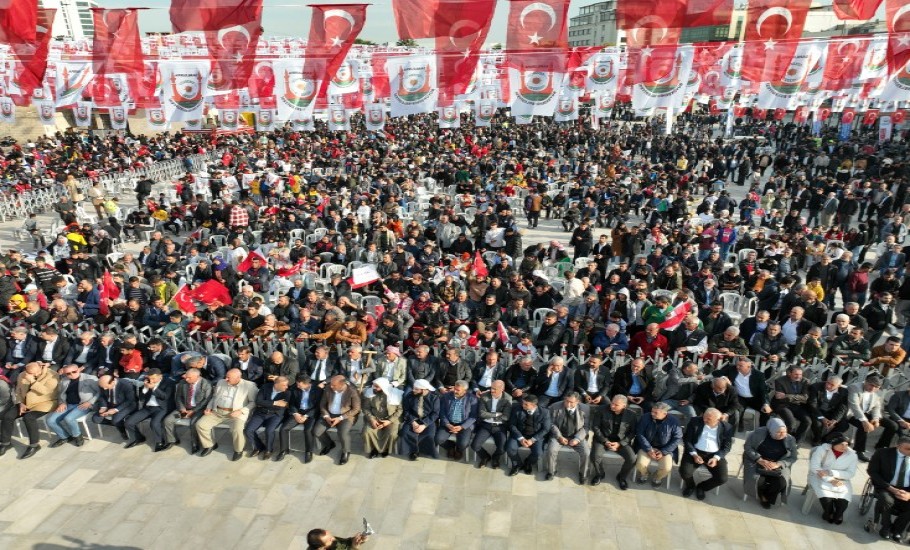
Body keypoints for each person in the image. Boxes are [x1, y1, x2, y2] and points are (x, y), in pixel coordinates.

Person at [196, 368, 258, 461]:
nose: (226, 379)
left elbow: (253, 402)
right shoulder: (221, 382)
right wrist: (209, 407)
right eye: (226, 376)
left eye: (229, 378)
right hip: (217, 412)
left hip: (235, 414)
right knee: (200, 425)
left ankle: (238, 450)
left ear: (238, 378)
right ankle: (210, 445)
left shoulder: (249, 386)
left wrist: (241, 411)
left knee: (238, 429)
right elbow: (214, 397)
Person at [742, 418, 798, 509]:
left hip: (778, 464)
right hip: (756, 460)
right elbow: (748, 447)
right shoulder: (759, 433)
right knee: (756, 480)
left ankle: (768, 496)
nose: (782, 435)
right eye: (779, 432)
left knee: (782, 482)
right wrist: (759, 459)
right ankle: (763, 497)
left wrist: (778, 464)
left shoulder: (790, 439)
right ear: (771, 430)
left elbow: (793, 457)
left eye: (784, 432)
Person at [679, 408, 734, 500]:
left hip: (714, 454)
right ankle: (691, 486)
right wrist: (694, 454)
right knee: (684, 472)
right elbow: (687, 440)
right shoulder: (695, 421)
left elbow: (726, 447)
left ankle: (702, 487)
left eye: (708, 419)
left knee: (722, 478)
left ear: (718, 419)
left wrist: (716, 458)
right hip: (695, 451)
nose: (705, 420)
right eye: (704, 417)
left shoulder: (727, 427)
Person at [807, 432, 858, 525]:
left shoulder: (852, 455)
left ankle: (838, 513)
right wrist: (830, 479)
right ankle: (828, 512)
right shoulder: (822, 450)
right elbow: (814, 467)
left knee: (843, 502)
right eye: (841, 444)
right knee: (826, 500)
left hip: (842, 479)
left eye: (846, 444)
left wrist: (832, 473)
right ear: (833, 443)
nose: (844, 447)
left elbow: (850, 473)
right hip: (819, 476)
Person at [590, 395, 638, 490]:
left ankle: (622, 477)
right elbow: (595, 427)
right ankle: (600, 474)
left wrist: (620, 443)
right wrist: (605, 441)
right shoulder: (601, 409)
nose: (612, 406)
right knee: (595, 455)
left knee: (632, 458)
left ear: (624, 405)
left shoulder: (631, 414)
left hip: (621, 441)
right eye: (612, 403)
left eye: (616, 405)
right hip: (602, 439)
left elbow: (633, 432)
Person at [45, 364, 99, 448]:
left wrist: (90, 402)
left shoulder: (90, 378)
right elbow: (60, 394)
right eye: (68, 373)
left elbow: (100, 392)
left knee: (69, 418)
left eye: (74, 372)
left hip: (84, 404)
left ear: (78, 370)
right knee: (50, 420)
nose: (71, 374)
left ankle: (77, 436)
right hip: (68, 404)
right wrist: (62, 403)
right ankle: (65, 437)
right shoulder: (64, 381)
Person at [868, 437, 910, 542]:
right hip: (886, 486)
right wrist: (890, 488)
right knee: (886, 500)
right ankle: (885, 527)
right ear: (898, 446)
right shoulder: (882, 453)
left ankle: (897, 530)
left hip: (907, 490)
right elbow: (872, 471)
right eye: (908, 449)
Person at [162, 368, 213, 453]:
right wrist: (182, 410)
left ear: (197, 376)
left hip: (198, 410)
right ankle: (172, 440)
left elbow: (206, 401)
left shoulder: (206, 384)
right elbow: (178, 397)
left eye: (189, 378)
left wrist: (193, 411)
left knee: (193, 423)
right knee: (168, 420)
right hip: (185, 409)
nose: (186, 379)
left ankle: (195, 443)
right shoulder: (183, 383)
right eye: (186, 377)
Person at [15, 362, 59, 459]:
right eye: (31, 374)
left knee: (28, 417)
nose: (34, 375)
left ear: (41, 367)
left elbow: (46, 391)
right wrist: (20, 402)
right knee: (8, 416)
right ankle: (5, 442)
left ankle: (34, 445)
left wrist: (32, 381)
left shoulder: (52, 375)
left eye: (36, 373)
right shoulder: (22, 375)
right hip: (25, 403)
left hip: (44, 403)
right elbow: (18, 390)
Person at [124, 369, 176, 451]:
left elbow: (165, 397)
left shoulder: (169, 383)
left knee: (154, 423)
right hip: (148, 408)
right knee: (128, 422)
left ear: (160, 376)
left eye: (153, 379)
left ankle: (159, 442)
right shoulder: (147, 382)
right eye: (150, 378)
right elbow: (141, 398)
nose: (151, 380)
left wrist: (154, 388)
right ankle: (139, 438)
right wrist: (145, 388)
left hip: (161, 408)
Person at [315, 375, 361, 466]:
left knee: (343, 433)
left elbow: (356, 409)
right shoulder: (328, 388)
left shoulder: (352, 391)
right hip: (329, 414)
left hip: (346, 416)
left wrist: (340, 418)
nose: (331, 386)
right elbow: (322, 405)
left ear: (342, 385)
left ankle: (346, 452)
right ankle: (329, 444)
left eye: (334, 385)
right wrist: (326, 416)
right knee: (317, 431)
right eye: (331, 384)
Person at [634, 402, 682, 488]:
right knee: (640, 463)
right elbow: (640, 433)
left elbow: (677, 438)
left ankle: (657, 476)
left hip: (665, 449)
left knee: (667, 468)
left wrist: (663, 452)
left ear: (665, 413)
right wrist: (648, 449)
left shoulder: (674, 421)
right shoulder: (645, 417)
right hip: (647, 446)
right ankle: (645, 473)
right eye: (652, 411)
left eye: (656, 413)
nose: (652, 414)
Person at [544, 392, 589, 483]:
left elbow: (586, 427)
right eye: (566, 401)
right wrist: (559, 437)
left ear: (577, 402)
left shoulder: (585, 408)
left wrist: (577, 439)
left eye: (571, 402)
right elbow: (551, 424)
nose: (568, 404)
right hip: (559, 435)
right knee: (551, 450)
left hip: (577, 435)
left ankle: (582, 474)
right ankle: (551, 471)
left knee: (586, 452)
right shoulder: (554, 406)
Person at [276, 375, 322, 462]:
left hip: (310, 414)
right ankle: (284, 450)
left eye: (299, 384)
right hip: (298, 413)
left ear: (306, 384)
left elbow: (318, 407)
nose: (297, 386)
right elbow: (292, 404)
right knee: (283, 428)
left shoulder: (318, 390)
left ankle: (309, 452)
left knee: (308, 430)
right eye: (297, 384)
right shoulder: (294, 389)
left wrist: (306, 416)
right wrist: (296, 414)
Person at [244, 376, 290, 460]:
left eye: (287, 385)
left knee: (269, 430)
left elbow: (281, 407)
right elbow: (258, 401)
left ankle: (269, 450)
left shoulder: (287, 393)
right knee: (248, 430)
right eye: (284, 385)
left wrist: (266, 404)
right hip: (260, 413)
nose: (286, 387)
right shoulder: (265, 387)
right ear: (276, 384)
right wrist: (275, 402)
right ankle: (258, 447)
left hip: (275, 415)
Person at [506, 394, 551, 476]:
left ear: (534, 405)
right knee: (510, 448)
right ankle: (517, 464)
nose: (523, 405)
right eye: (523, 403)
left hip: (535, 436)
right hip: (520, 434)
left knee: (538, 453)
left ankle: (528, 462)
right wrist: (521, 438)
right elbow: (512, 425)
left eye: (526, 404)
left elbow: (546, 429)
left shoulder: (545, 412)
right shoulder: (517, 409)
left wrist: (532, 440)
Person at [473, 380, 512, 470]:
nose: (492, 391)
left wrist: (489, 416)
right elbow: (482, 414)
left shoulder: (507, 398)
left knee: (502, 447)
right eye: (491, 388)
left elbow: (506, 417)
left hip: (500, 426)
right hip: (486, 425)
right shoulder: (484, 396)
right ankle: (485, 456)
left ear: (502, 389)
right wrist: (497, 414)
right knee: (475, 445)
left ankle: (495, 458)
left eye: (495, 389)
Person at [436, 380, 478, 460]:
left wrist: (461, 427)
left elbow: (473, 416)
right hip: (448, 423)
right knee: (438, 439)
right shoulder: (446, 396)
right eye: (455, 388)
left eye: (458, 390)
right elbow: (442, 412)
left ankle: (459, 450)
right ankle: (450, 447)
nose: (455, 391)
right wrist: (447, 424)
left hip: (464, 424)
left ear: (465, 391)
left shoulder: (472, 399)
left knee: (463, 444)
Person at [362, 377, 403, 459]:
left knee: (391, 434)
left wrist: (389, 421)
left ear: (383, 387)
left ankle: (386, 449)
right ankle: (374, 449)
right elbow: (365, 408)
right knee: (367, 432)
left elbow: (400, 410)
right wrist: (372, 419)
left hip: (391, 419)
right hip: (374, 418)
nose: (374, 388)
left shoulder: (396, 394)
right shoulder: (369, 393)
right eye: (374, 386)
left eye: (377, 387)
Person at [769, 365, 812, 443]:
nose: (799, 376)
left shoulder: (805, 381)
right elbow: (779, 397)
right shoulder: (779, 381)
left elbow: (805, 397)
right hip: (782, 405)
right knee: (791, 424)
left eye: (800, 374)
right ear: (789, 373)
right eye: (796, 374)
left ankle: (796, 442)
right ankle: (786, 441)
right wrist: (798, 397)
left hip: (796, 405)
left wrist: (786, 395)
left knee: (807, 421)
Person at [847, 373, 884, 462]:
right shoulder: (855, 387)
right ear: (865, 382)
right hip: (853, 413)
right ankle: (859, 450)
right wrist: (865, 421)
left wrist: (876, 419)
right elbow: (854, 405)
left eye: (876, 387)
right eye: (871, 385)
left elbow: (877, 406)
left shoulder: (876, 391)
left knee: (892, 425)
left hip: (867, 412)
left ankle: (882, 447)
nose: (873, 388)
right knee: (864, 426)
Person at [400, 379, 440, 461]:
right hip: (413, 418)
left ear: (424, 390)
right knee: (405, 432)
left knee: (429, 435)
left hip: (428, 420)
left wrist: (424, 425)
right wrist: (413, 422)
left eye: (416, 389)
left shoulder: (434, 398)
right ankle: (412, 451)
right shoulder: (409, 396)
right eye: (414, 388)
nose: (413, 390)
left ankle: (422, 451)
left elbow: (435, 414)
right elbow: (406, 411)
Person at [807, 375, 849, 446]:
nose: (828, 386)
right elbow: (813, 404)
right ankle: (817, 439)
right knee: (818, 424)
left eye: (832, 385)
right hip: (818, 411)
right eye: (828, 383)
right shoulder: (816, 387)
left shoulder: (844, 392)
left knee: (844, 425)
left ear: (839, 386)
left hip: (832, 412)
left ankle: (826, 439)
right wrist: (822, 418)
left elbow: (842, 408)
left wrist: (835, 420)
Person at [92, 374, 138, 440]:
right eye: (103, 387)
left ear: (113, 382)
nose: (104, 388)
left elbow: (130, 400)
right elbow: (102, 396)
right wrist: (103, 407)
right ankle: (119, 424)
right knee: (95, 419)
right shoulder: (103, 384)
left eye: (106, 387)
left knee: (115, 420)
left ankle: (122, 430)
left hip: (126, 405)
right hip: (110, 404)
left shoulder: (125, 384)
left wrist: (116, 410)